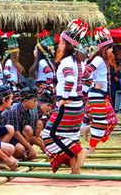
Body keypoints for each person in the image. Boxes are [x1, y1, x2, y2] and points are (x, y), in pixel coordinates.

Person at [41, 19, 89, 174]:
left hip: (67, 105)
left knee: (49, 135)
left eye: (61, 43)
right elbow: (88, 78)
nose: (59, 45)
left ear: (68, 45)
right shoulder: (79, 62)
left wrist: (64, 97)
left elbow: (69, 79)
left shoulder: (67, 61)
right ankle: (75, 170)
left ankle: (80, 151)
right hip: (77, 104)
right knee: (70, 136)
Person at [83, 27, 118, 154]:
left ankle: (87, 128)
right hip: (96, 94)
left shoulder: (101, 59)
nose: (112, 51)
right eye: (110, 48)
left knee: (112, 119)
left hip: (100, 94)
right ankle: (91, 149)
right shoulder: (98, 59)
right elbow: (85, 72)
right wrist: (92, 83)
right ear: (104, 48)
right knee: (100, 122)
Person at [3, 87, 39, 160]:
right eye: (34, 101)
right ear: (25, 101)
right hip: (6, 136)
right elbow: (15, 133)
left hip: (18, 135)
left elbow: (30, 133)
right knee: (20, 150)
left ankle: (26, 151)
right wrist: (30, 148)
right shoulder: (14, 109)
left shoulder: (31, 111)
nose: (36, 104)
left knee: (28, 129)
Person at [29, 29, 56, 94]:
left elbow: (50, 73)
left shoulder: (42, 62)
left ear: (39, 52)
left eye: (35, 49)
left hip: (43, 86)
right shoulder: (46, 61)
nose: (34, 51)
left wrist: (47, 85)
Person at [3, 31, 25, 102]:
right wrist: (11, 80)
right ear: (14, 54)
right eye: (17, 54)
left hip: (15, 86)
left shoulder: (14, 62)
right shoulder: (9, 61)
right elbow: (6, 71)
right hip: (11, 85)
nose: (18, 55)